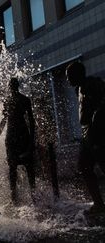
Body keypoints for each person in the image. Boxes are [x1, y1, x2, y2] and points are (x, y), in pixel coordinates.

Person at [66, 62, 105, 214]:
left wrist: (96, 127)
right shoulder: (79, 89)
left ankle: (99, 204)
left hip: (98, 134)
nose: (68, 80)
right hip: (87, 134)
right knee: (84, 167)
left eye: (69, 77)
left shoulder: (93, 84)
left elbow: (101, 106)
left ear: (77, 75)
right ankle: (99, 204)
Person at [0, 78, 36, 205]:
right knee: (22, 167)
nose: (12, 88)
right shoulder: (17, 100)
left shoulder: (18, 100)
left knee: (17, 167)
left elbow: (5, 120)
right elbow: (5, 120)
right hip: (18, 135)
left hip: (16, 135)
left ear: (11, 87)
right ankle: (25, 196)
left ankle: (16, 197)